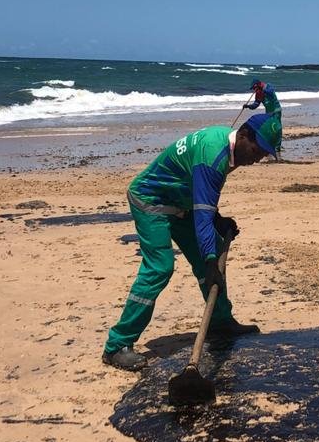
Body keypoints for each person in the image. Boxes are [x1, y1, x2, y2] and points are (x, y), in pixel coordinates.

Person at [102, 112, 284, 371]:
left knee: (206, 260)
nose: (260, 157)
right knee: (160, 267)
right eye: (259, 149)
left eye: (266, 153)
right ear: (243, 135)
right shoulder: (214, 155)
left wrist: (217, 221)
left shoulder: (228, 148)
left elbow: (203, 196)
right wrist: (211, 258)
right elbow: (202, 216)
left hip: (181, 203)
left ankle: (220, 322)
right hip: (152, 200)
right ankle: (117, 346)